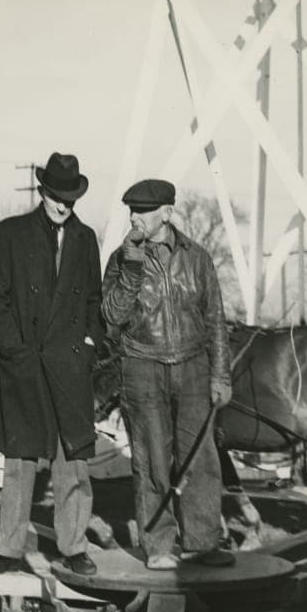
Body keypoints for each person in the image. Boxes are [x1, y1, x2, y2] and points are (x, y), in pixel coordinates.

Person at [0, 152, 103, 577]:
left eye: (70, 198)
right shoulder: (9, 235)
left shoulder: (85, 240)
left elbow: (93, 303)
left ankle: (73, 547)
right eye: (56, 196)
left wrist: (87, 346)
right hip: (25, 365)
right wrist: (17, 353)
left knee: (74, 465)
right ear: (42, 191)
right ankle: (8, 550)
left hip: (69, 368)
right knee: (19, 463)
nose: (63, 205)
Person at [102, 178, 234, 570]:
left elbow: (216, 321)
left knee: (202, 459)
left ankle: (203, 542)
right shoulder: (121, 259)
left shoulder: (198, 258)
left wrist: (220, 375)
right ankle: (159, 546)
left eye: (141, 210)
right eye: (131, 211)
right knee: (151, 459)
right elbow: (111, 318)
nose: (134, 218)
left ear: (166, 213)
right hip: (141, 367)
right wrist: (130, 271)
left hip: (194, 368)